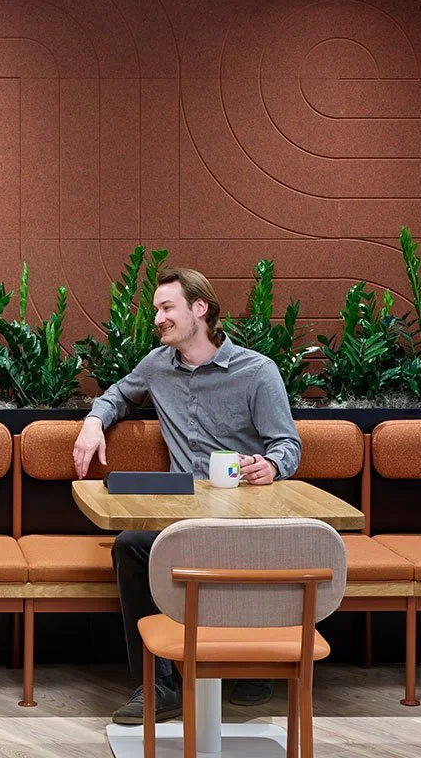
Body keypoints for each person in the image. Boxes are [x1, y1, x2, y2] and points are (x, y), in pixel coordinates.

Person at [72, 267, 302, 725]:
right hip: (183, 517)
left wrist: (271, 465)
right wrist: (94, 422)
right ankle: (156, 683)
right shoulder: (158, 364)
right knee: (130, 546)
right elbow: (117, 394)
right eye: (156, 309)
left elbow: (287, 444)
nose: (157, 317)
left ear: (200, 309)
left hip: (245, 514)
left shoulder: (257, 371)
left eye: (167, 307)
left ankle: (250, 660)